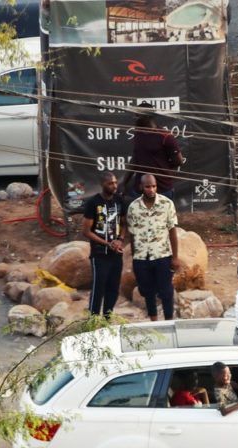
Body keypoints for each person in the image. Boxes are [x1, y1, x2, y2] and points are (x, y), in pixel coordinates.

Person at [126, 174, 181, 321]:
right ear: (141, 187)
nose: (151, 189)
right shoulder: (133, 208)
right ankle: (154, 322)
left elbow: (172, 232)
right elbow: (132, 234)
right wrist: (134, 258)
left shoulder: (166, 204)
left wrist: (175, 257)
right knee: (147, 291)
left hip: (162, 255)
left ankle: (169, 322)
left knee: (166, 292)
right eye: (148, 186)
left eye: (154, 186)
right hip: (141, 258)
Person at [82, 172, 127, 318]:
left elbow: (124, 223)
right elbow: (86, 231)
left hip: (116, 254)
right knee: (98, 289)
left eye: (115, 182)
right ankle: (93, 321)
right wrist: (107, 243)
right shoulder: (93, 203)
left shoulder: (119, 200)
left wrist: (120, 239)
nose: (114, 186)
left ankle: (107, 320)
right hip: (100, 255)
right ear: (102, 185)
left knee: (113, 289)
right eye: (110, 183)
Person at [125, 104, 183, 200]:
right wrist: (124, 182)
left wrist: (161, 168)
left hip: (162, 189)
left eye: (137, 115)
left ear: (148, 116)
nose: (134, 118)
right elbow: (135, 160)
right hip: (140, 189)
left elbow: (178, 161)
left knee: (162, 215)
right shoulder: (138, 134)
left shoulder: (165, 136)